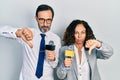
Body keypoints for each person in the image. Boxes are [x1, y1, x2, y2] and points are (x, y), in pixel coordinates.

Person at [0, 4, 61, 80]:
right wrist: (17, 32)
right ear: (36, 19)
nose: (45, 24)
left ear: (52, 19)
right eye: (41, 19)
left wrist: (53, 59)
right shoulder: (26, 33)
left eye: (48, 20)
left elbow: (55, 65)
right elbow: (1, 30)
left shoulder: (56, 39)